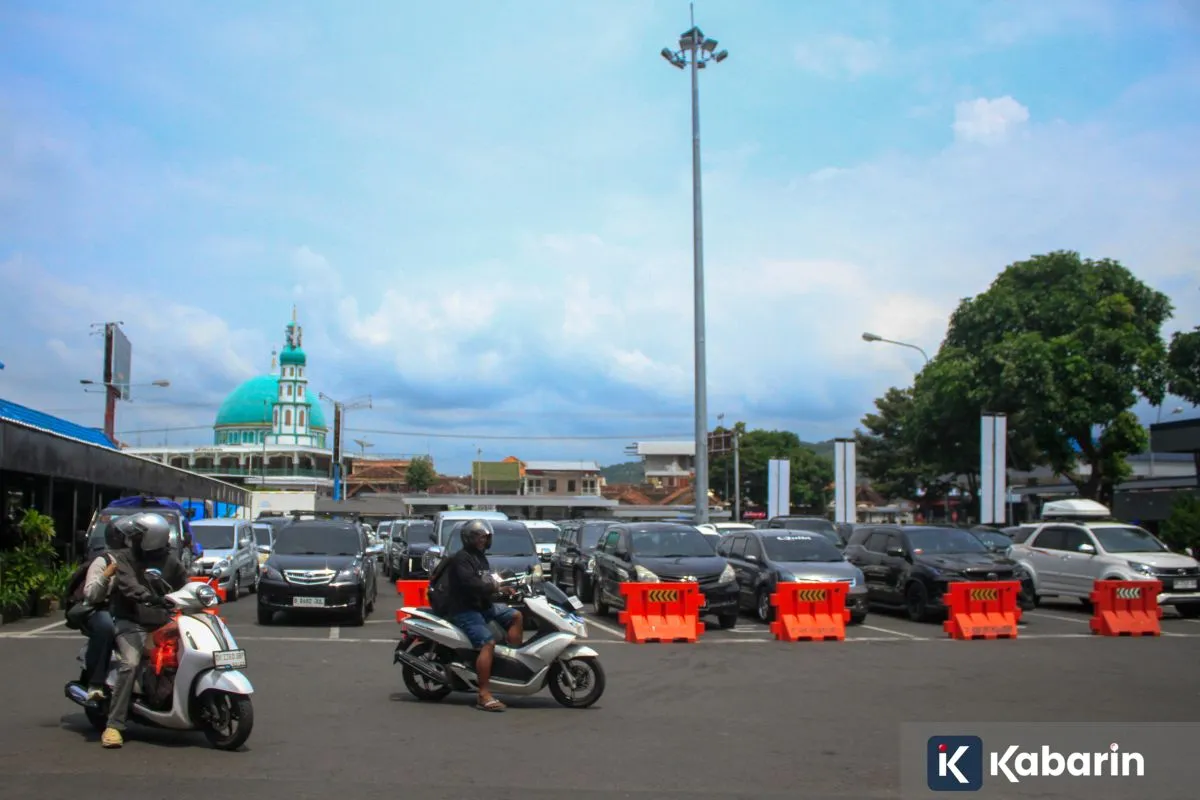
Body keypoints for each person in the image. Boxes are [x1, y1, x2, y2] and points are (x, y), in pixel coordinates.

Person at [102, 512, 187, 749]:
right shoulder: (124, 557)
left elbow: (185, 584)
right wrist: (148, 597)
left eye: (138, 535)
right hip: (132, 622)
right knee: (130, 664)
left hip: (163, 621)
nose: (132, 538)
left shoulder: (171, 561)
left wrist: (198, 595)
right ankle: (114, 725)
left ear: (151, 537)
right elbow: (128, 585)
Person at [444, 519, 523, 712]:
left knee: (516, 616)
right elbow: (471, 584)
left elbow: (487, 582)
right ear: (468, 538)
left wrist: (503, 589)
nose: (482, 540)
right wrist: (494, 588)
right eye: (478, 537)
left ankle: (512, 665)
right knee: (487, 643)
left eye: (485, 537)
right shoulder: (461, 559)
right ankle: (483, 694)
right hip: (465, 609)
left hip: (483, 606)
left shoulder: (480, 558)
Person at [80, 523, 128, 701]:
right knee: (106, 627)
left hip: (132, 608)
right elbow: (91, 594)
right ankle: (96, 682)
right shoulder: (103, 560)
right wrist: (107, 575)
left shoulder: (140, 560)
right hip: (103, 607)